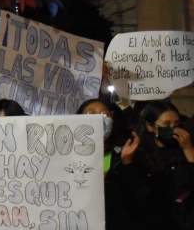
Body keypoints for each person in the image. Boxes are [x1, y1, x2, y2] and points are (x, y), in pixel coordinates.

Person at [113, 101, 194, 230]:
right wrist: (128, 162)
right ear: (150, 127)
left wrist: (188, 149)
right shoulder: (140, 155)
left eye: (177, 123)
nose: (173, 128)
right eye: (166, 124)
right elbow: (137, 197)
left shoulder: (184, 150)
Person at [76, 98, 133, 230]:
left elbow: (134, 197)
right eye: (91, 114)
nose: (99, 118)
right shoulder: (67, 152)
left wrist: (128, 163)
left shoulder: (125, 149)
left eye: (104, 114)